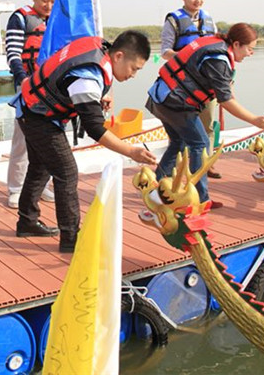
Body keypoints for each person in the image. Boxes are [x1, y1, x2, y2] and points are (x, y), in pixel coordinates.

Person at [10, 30, 157, 253]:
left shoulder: (99, 48)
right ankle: (71, 239)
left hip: (30, 106)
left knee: (40, 167)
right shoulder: (87, 77)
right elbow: (95, 129)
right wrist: (131, 151)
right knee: (67, 172)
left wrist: (99, 96)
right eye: (134, 68)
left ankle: (27, 222)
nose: (133, 75)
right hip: (37, 116)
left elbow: (72, 80)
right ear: (118, 56)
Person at [146, 23, 264, 208]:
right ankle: (200, 198)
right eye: (249, 49)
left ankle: (156, 189)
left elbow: (228, 93)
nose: (251, 53)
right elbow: (226, 101)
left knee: (178, 143)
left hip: (160, 97)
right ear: (236, 44)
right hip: (174, 103)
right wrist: (254, 120)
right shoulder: (218, 60)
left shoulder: (217, 48)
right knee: (200, 144)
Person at [160, 0, 222, 179]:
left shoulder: (209, 19)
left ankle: (206, 163)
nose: (198, 0)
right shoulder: (173, 20)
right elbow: (165, 51)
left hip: (207, 83)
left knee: (207, 124)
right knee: (181, 129)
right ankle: (179, 167)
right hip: (182, 86)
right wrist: (188, 55)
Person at [5, 0, 59, 209]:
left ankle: (40, 184)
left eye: (53, 1)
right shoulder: (19, 18)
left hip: (51, 88)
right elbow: (13, 53)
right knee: (22, 139)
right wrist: (22, 78)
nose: (48, 6)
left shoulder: (57, 20)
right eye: (44, 1)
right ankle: (16, 188)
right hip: (27, 86)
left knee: (48, 139)